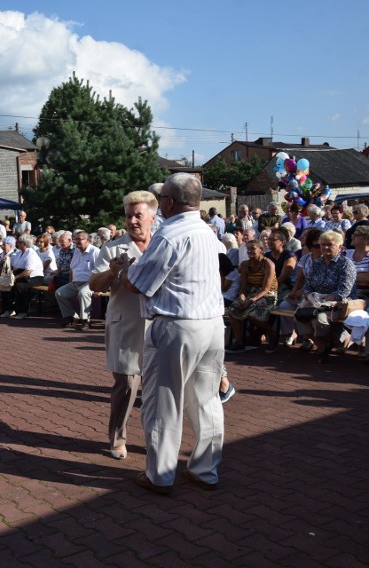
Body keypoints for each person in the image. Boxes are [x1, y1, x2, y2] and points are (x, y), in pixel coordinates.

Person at [119, 173, 225, 495]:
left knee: (164, 403)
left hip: (178, 325)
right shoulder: (209, 232)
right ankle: (206, 470)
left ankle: (160, 475)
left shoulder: (171, 235)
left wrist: (123, 269)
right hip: (212, 324)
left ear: (166, 202)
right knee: (206, 402)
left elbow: (138, 282)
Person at [89, 190, 157, 460]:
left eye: (138, 215)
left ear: (152, 216)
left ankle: (155, 439)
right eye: (128, 216)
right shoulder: (113, 248)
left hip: (158, 328)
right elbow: (94, 284)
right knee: (127, 386)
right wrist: (113, 272)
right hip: (125, 327)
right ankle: (118, 438)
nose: (133, 221)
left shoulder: (162, 244)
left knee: (157, 388)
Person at [294, 230, 357, 363]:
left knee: (319, 318)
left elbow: (343, 292)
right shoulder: (318, 263)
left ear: (340, 247)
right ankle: (323, 345)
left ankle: (331, 342)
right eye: (323, 244)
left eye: (329, 244)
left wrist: (320, 300)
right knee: (299, 316)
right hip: (316, 300)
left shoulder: (346, 264)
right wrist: (308, 297)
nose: (325, 248)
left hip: (338, 303)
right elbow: (308, 284)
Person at [224, 239, 278, 354]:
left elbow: (266, 289)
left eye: (253, 248)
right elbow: (243, 285)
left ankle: (271, 333)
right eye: (248, 249)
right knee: (232, 309)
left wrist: (250, 300)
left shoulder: (269, 264)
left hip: (267, 295)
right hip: (250, 293)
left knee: (251, 312)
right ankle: (239, 342)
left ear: (261, 250)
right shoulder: (245, 264)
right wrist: (242, 297)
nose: (249, 251)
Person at [55, 231, 98, 327]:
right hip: (76, 282)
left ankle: (85, 320)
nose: (77, 242)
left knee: (83, 294)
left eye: (80, 239)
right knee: (59, 293)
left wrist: (97, 288)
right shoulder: (77, 251)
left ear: (88, 240)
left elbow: (100, 270)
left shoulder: (95, 251)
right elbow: (72, 269)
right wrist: (71, 282)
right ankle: (72, 316)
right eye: (76, 239)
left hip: (89, 283)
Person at [4, 234, 43, 319]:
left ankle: (23, 311)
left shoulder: (31, 253)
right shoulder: (19, 253)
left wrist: (15, 278)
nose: (17, 243)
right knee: (6, 285)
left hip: (34, 277)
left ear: (24, 244)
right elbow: (15, 266)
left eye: (19, 242)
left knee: (19, 286)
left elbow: (28, 271)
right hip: (22, 275)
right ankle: (9, 309)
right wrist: (7, 261)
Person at [346, 225, 369, 301]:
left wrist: (345, 275)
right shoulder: (345, 254)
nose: (352, 237)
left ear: (366, 240)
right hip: (345, 294)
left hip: (365, 296)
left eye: (355, 235)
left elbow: (367, 278)